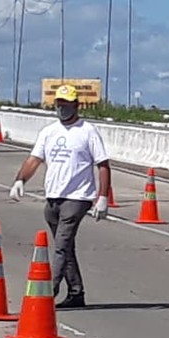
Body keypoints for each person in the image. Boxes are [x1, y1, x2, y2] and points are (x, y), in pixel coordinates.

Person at [9, 85, 111, 309]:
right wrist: (20, 180)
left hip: (78, 197)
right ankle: (76, 293)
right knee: (65, 247)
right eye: (59, 105)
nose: (62, 109)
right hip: (53, 197)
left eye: (67, 105)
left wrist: (102, 197)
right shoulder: (48, 132)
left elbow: (103, 165)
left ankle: (47, 293)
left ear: (76, 105)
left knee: (61, 247)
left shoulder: (87, 131)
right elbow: (34, 159)